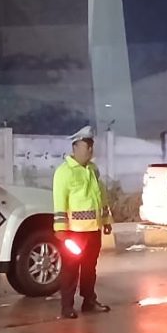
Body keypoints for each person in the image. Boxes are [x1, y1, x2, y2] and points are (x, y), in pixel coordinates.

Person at [52, 126, 113, 317]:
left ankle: (89, 300)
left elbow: (100, 196)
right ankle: (67, 307)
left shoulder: (93, 169)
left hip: (93, 229)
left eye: (91, 146)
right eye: (87, 146)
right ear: (75, 147)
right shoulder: (64, 172)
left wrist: (106, 220)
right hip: (74, 232)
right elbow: (59, 201)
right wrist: (61, 229)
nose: (90, 150)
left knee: (90, 268)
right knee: (71, 269)